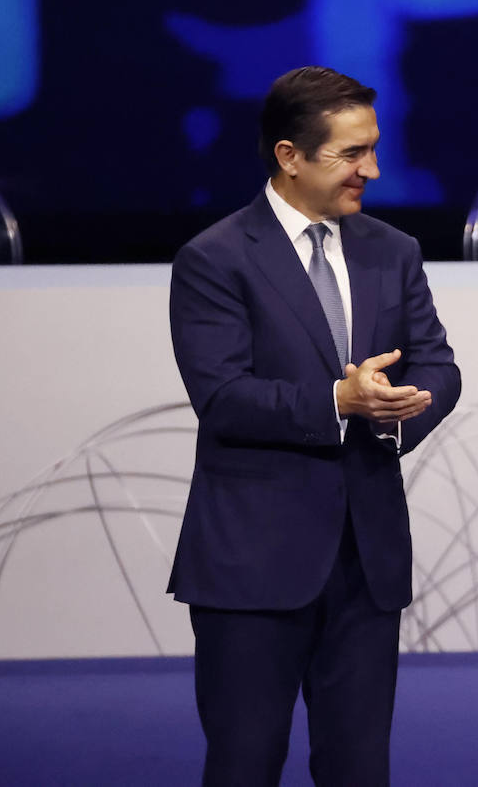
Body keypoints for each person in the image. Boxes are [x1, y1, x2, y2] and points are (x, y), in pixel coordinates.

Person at [167, 66, 461, 786]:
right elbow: (226, 398)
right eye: (351, 154)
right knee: (245, 763)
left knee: (359, 768)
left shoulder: (394, 251)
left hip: (367, 563)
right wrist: (338, 399)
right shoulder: (215, 259)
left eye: (374, 148)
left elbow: (439, 367)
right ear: (289, 156)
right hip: (252, 565)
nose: (374, 169)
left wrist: (396, 412)